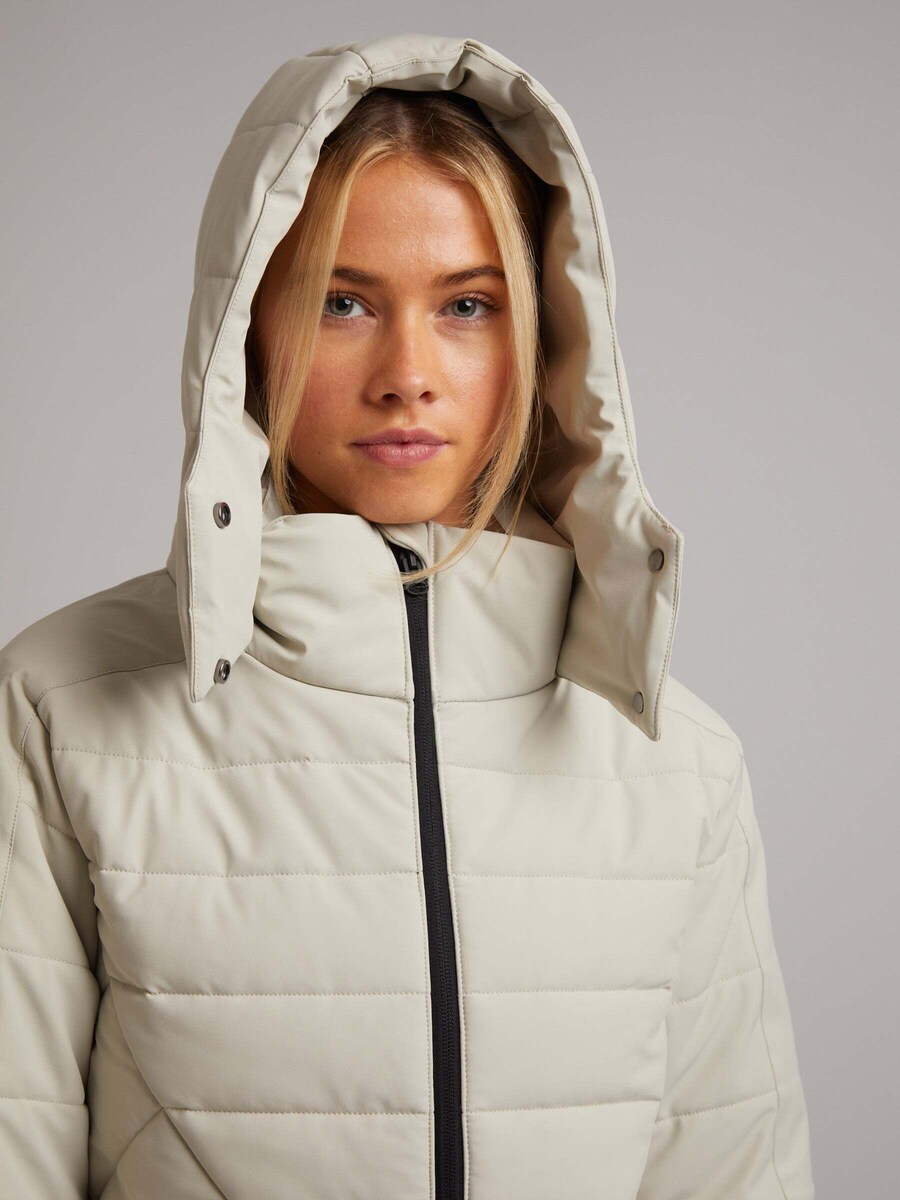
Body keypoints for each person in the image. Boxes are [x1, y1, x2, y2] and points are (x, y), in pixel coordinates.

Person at [0, 33, 815, 1200]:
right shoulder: (61, 709)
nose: (409, 373)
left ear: (543, 342)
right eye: (343, 302)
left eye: (468, 305)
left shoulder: (679, 764)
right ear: (250, 328)